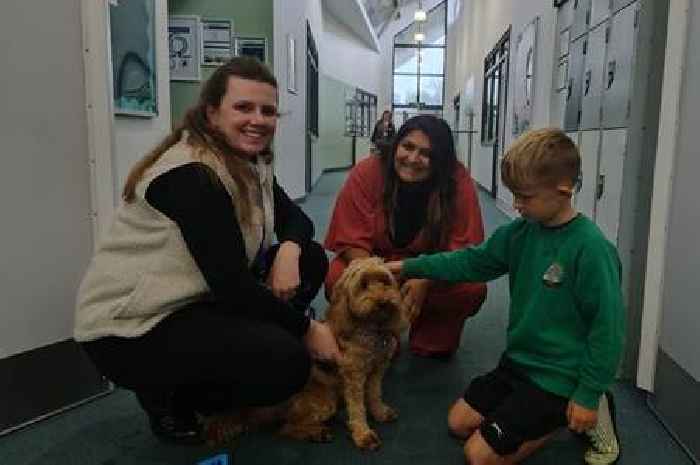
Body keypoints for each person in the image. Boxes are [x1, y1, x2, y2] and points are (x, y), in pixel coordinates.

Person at [74, 57, 339, 445]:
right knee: (288, 362)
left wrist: (289, 252)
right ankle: (169, 398)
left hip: (194, 298)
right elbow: (232, 287)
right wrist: (308, 328)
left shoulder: (251, 160)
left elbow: (297, 220)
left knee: (310, 257)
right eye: (243, 107)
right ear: (213, 113)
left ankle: (236, 356)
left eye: (268, 110)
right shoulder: (193, 174)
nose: (259, 119)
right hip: (131, 328)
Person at [386, 128, 625, 465]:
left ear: (564, 190)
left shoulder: (592, 249)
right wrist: (412, 267)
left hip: (561, 375)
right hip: (520, 362)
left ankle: (588, 406)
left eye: (525, 196)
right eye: (514, 195)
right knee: (458, 423)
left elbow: (608, 330)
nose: (516, 204)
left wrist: (586, 394)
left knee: (478, 457)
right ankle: (539, 411)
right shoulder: (521, 232)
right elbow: (470, 261)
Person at [324, 114, 487, 358]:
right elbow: (351, 237)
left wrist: (426, 277)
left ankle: (432, 331)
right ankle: (377, 330)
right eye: (407, 147)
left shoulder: (457, 180)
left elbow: (465, 247)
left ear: (441, 160)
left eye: (426, 154)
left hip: (432, 268)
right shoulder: (369, 171)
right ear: (396, 144)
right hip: (378, 265)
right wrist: (379, 281)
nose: (412, 159)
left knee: (472, 288)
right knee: (336, 276)